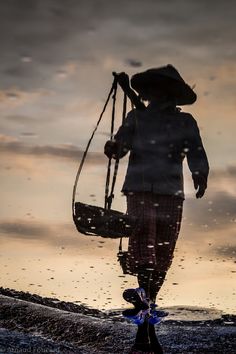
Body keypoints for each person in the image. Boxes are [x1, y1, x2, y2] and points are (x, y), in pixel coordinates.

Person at [104, 65, 209, 353]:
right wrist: (113, 147)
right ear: (149, 93)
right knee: (144, 255)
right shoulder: (136, 117)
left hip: (171, 194)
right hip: (139, 190)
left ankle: (145, 318)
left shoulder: (185, 122)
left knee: (161, 257)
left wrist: (201, 173)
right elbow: (121, 147)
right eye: (153, 91)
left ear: (171, 95)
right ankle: (146, 328)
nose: (156, 96)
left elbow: (196, 151)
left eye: (163, 92)